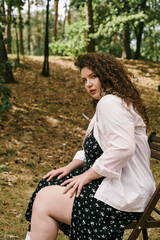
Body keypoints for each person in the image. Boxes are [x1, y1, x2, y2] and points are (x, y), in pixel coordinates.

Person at [25, 52, 155, 240]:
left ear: (108, 75)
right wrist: (70, 167)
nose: (88, 84)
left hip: (128, 194)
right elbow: (96, 147)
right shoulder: (111, 101)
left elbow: (122, 149)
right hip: (121, 185)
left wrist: (86, 176)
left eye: (93, 76)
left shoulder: (110, 103)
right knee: (49, 183)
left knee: (45, 199)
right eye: (84, 79)